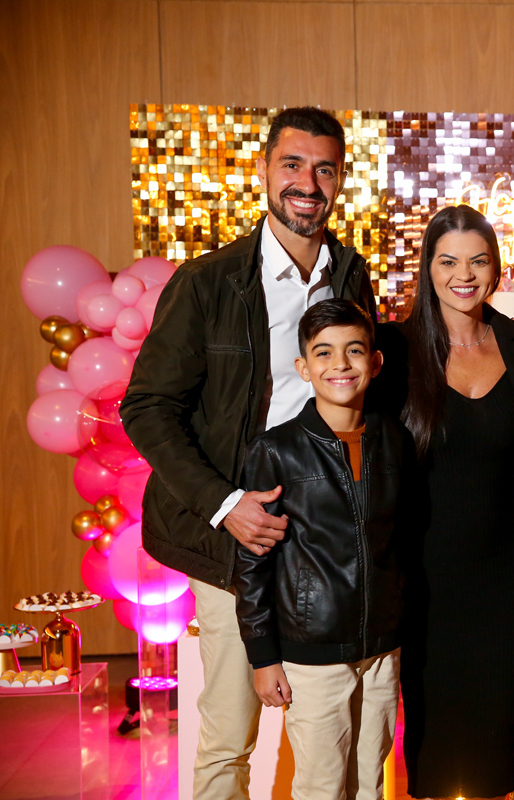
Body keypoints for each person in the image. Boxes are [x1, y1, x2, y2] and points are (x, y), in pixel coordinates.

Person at [121, 107, 376, 800]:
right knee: (230, 735)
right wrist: (226, 504)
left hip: (325, 539)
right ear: (264, 170)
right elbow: (147, 407)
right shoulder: (208, 281)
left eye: (325, 169)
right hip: (236, 533)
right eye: (292, 165)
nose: (308, 184)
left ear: (340, 180)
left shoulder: (351, 275)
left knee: (332, 738)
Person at [395, 205, 514, 800]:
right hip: (423, 581)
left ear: (496, 267)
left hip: (503, 578)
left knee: (497, 747)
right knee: (434, 755)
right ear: (427, 268)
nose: (464, 275)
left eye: (478, 261)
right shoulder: (396, 351)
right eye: (448, 261)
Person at [232, 299, 407, 800]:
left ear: (375, 362)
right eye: (324, 353)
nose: (340, 364)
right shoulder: (275, 450)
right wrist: (263, 656)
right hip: (313, 653)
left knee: (370, 783)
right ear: (304, 367)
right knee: (322, 787)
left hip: (382, 648)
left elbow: (402, 539)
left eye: (354, 350)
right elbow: (252, 564)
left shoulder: (395, 440)